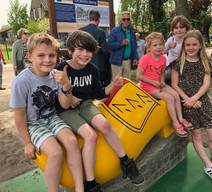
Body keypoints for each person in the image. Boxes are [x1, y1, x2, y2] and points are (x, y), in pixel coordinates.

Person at [56, 31, 144, 192]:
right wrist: (70, 95)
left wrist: (114, 84)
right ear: (70, 51)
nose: (85, 54)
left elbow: (99, 94)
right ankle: (91, 184)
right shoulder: (61, 69)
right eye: (80, 50)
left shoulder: (92, 69)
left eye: (88, 50)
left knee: (104, 125)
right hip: (66, 110)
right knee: (90, 136)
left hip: (85, 105)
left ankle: (126, 162)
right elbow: (55, 96)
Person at [9, 33, 84, 192]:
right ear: (29, 56)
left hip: (52, 117)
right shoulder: (22, 81)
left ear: (57, 57)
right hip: (34, 124)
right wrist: (27, 142)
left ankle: (80, 188)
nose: (47, 60)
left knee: (71, 141)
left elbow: (65, 103)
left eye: (51, 55)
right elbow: (19, 115)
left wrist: (65, 84)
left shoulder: (55, 76)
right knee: (55, 153)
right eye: (41, 55)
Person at [171, 30, 212, 183]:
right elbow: (174, 84)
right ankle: (208, 165)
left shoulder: (205, 62)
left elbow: (206, 83)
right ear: (184, 45)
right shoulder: (178, 64)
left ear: (200, 45)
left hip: (202, 102)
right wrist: (188, 100)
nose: (190, 48)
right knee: (196, 135)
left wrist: (195, 98)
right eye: (187, 45)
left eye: (194, 45)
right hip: (186, 105)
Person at [136, 32, 192, 138]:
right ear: (149, 47)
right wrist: (153, 82)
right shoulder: (145, 59)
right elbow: (138, 76)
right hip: (147, 86)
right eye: (155, 45)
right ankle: (175, 123)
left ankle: (181, 118)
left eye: (160, 44)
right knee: (170, 98)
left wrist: (162, 81)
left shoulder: (163, 58)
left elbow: (161, 73)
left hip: (158, 84)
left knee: (175, 94)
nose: (158, 47)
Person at [80, 9, 111, 86]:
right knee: (98, 88)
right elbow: (105, 51)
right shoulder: (100, 32)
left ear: (89, 18)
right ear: (98, 19)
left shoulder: (81, 31)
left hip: (84, 64)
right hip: (98, 66)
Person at [108, 11, 138, 79]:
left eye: (128, 19)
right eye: (124, 19)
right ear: (121, 20)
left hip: (128, 61)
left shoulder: (131, 32)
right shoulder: (115, 31)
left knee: (127, 83)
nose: (126, 21)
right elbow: (109, 45)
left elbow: (134, 46)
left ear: (130, 20)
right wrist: (121, 43)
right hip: (116, 62)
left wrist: (135, 57)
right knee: (117, 84)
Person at [164, 15, 191, 84]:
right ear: (172, 30)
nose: (179, 30)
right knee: (159, 78)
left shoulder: (189, 41)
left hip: (184, 68)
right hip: (170, 67)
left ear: (186, 28)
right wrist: (169, 47)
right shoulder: (171, 39)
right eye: (176, 28)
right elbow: (162, 52)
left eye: (181, 27)